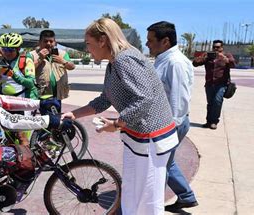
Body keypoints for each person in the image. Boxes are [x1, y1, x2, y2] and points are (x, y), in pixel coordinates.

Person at [61, 18, 178, 215]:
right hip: (137, 137)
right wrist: (74, 114)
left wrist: (116, 124)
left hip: (151, 138)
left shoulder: (126, 59)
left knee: (148, 198)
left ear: (103, 40)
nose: (87, 49)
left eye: (88, 44)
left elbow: (145, 98)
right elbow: (105, 98)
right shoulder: (113, 63)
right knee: (132, 191)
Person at [146, 21, 198, 211]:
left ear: (165, 41)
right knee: (167, 162)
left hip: (170, 125)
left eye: (151, 41)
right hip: (165, 123)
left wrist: (168, 131)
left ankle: (153, 208)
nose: (147, 44)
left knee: (158, 168)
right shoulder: (163, 58)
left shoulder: (175, 63)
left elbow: (178, 101)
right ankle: (186, 196)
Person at [193, 40, 236, 129]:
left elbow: (233, 64)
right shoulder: (208, 56)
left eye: (218, 47)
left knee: (217, 101)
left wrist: (225, 59)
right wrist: (203, 57)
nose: (216, 49)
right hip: (209, 83)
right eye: (214, 47)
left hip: (221, 84)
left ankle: (214, 121)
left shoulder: (227, 55)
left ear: (222, 48)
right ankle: (208, 121)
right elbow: (195, 64)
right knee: (210, 103)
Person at [30, 30, 75, 112]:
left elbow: (72, 67)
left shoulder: (62, 54)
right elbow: (28, 70)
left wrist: (63, 61)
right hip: (40, 94)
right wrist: (40, 59)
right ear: (39, 42)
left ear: (55, 43)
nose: (48, 43)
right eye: (45, 41)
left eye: (51, 41)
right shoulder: (32, 55)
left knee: (54, 118)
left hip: (58, 94)